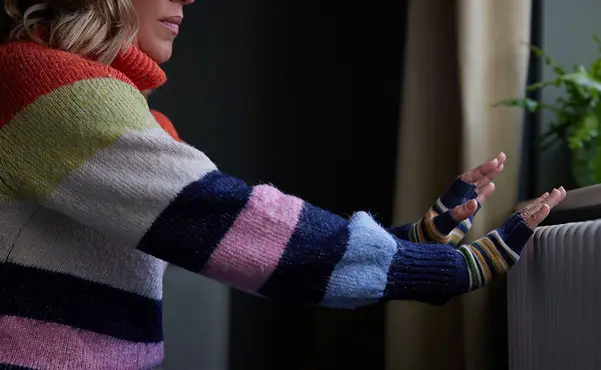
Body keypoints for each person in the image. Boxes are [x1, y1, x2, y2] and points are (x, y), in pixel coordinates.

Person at [0, 0, 566, 369]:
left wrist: (416, 237)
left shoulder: (126, 116)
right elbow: (243, 228)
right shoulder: (41, 82)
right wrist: (453, 267)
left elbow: (246, 246)